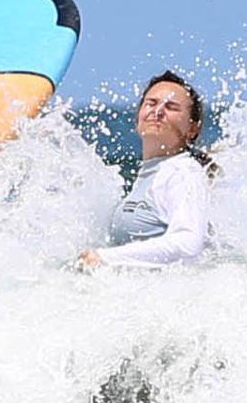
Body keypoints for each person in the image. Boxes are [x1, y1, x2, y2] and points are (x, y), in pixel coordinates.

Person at [78, 70, 215, 270]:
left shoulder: (183, 172)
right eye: (151, 103)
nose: (157, 111)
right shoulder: (153, 173)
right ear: (138, 117)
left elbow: (188, 245)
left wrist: (105, 258)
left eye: (171, 107)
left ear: (192, 129)